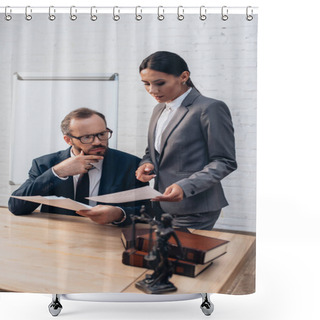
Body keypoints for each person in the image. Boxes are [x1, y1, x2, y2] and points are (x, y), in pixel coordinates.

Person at [135, 51, 237, 230]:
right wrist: (146, 164)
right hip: (160, 206)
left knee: (181, 257)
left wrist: (186, 186)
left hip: (194, 208)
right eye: (146, 84)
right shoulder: (159, 109)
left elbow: (224, 161)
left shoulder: (209, 108)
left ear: (183, 76)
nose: (152, 90)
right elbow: (152, 152)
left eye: (160, 83)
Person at [8, 107, 147, 226]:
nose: (98, 142)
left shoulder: (131, 164)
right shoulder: (45, 164)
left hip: (108, 239)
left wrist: (119, 214)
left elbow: (147, 213)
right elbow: (16, 207)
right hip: (57, 240)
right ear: (68, 140)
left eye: (102, 134)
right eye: (87, 137)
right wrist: (58, 172)